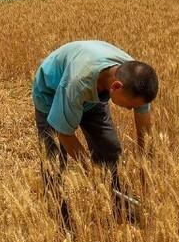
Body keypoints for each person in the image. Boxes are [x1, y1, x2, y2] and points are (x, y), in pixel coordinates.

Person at [32, 40, 158, 230]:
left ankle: (122, 208)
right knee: (54, 162)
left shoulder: (136, 78)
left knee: (110, 150)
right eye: (131, 104)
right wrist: (92, 172)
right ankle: (62, 224)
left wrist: (146, 171)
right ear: (115, 87)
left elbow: (144, 134)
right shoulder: (76, 84)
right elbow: (65, 134)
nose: (132, 108)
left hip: (94, 94)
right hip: (51, 93)